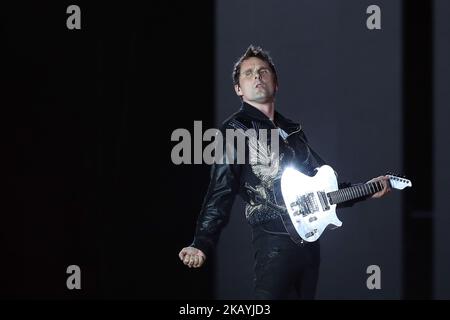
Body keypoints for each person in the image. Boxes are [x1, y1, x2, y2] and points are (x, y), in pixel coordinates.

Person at [178, 45, 390, 299]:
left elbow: (324, 188)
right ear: (238, 89)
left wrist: (367, 190)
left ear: (275, 83)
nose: (256, 76)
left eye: (263, 71)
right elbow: (220, 190)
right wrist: (201, 242)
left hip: (310, 243)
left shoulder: (293, 130)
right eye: (248, 73)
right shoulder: (234, 130)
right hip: (273, 241)